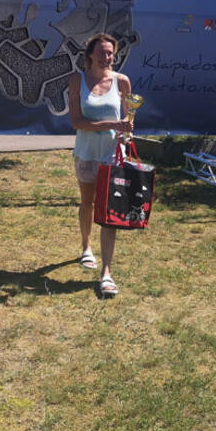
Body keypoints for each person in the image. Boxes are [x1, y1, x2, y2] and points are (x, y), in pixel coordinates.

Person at [68, 33, 133, 297]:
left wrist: (125, 132)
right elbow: (77, 122)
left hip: (113, 156)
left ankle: (106, 272)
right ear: (90, 55)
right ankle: (86, 246)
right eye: (102, 52)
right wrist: (112, 124)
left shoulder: (122, 81)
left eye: (110, 53)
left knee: (109, 212)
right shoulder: (76, 80)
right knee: (87, 203)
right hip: (86, 153)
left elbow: (128, 119)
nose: (107, 57)